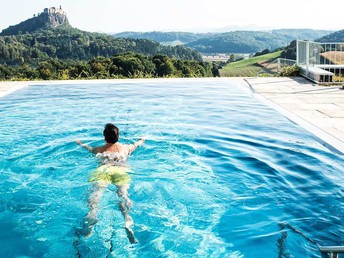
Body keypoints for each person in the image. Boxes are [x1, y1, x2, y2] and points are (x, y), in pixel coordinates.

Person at [76, 123, 145, 243]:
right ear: (118, 136)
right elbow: (136, 145)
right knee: (123, 194)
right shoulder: (125, 148)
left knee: (97, 193)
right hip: (120, 170)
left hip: (103, 170)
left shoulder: (99, 149)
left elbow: (89, 149)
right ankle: (127, 220)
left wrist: (80, 143)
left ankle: (92, 214)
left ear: (104, 137)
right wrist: (142, 139)